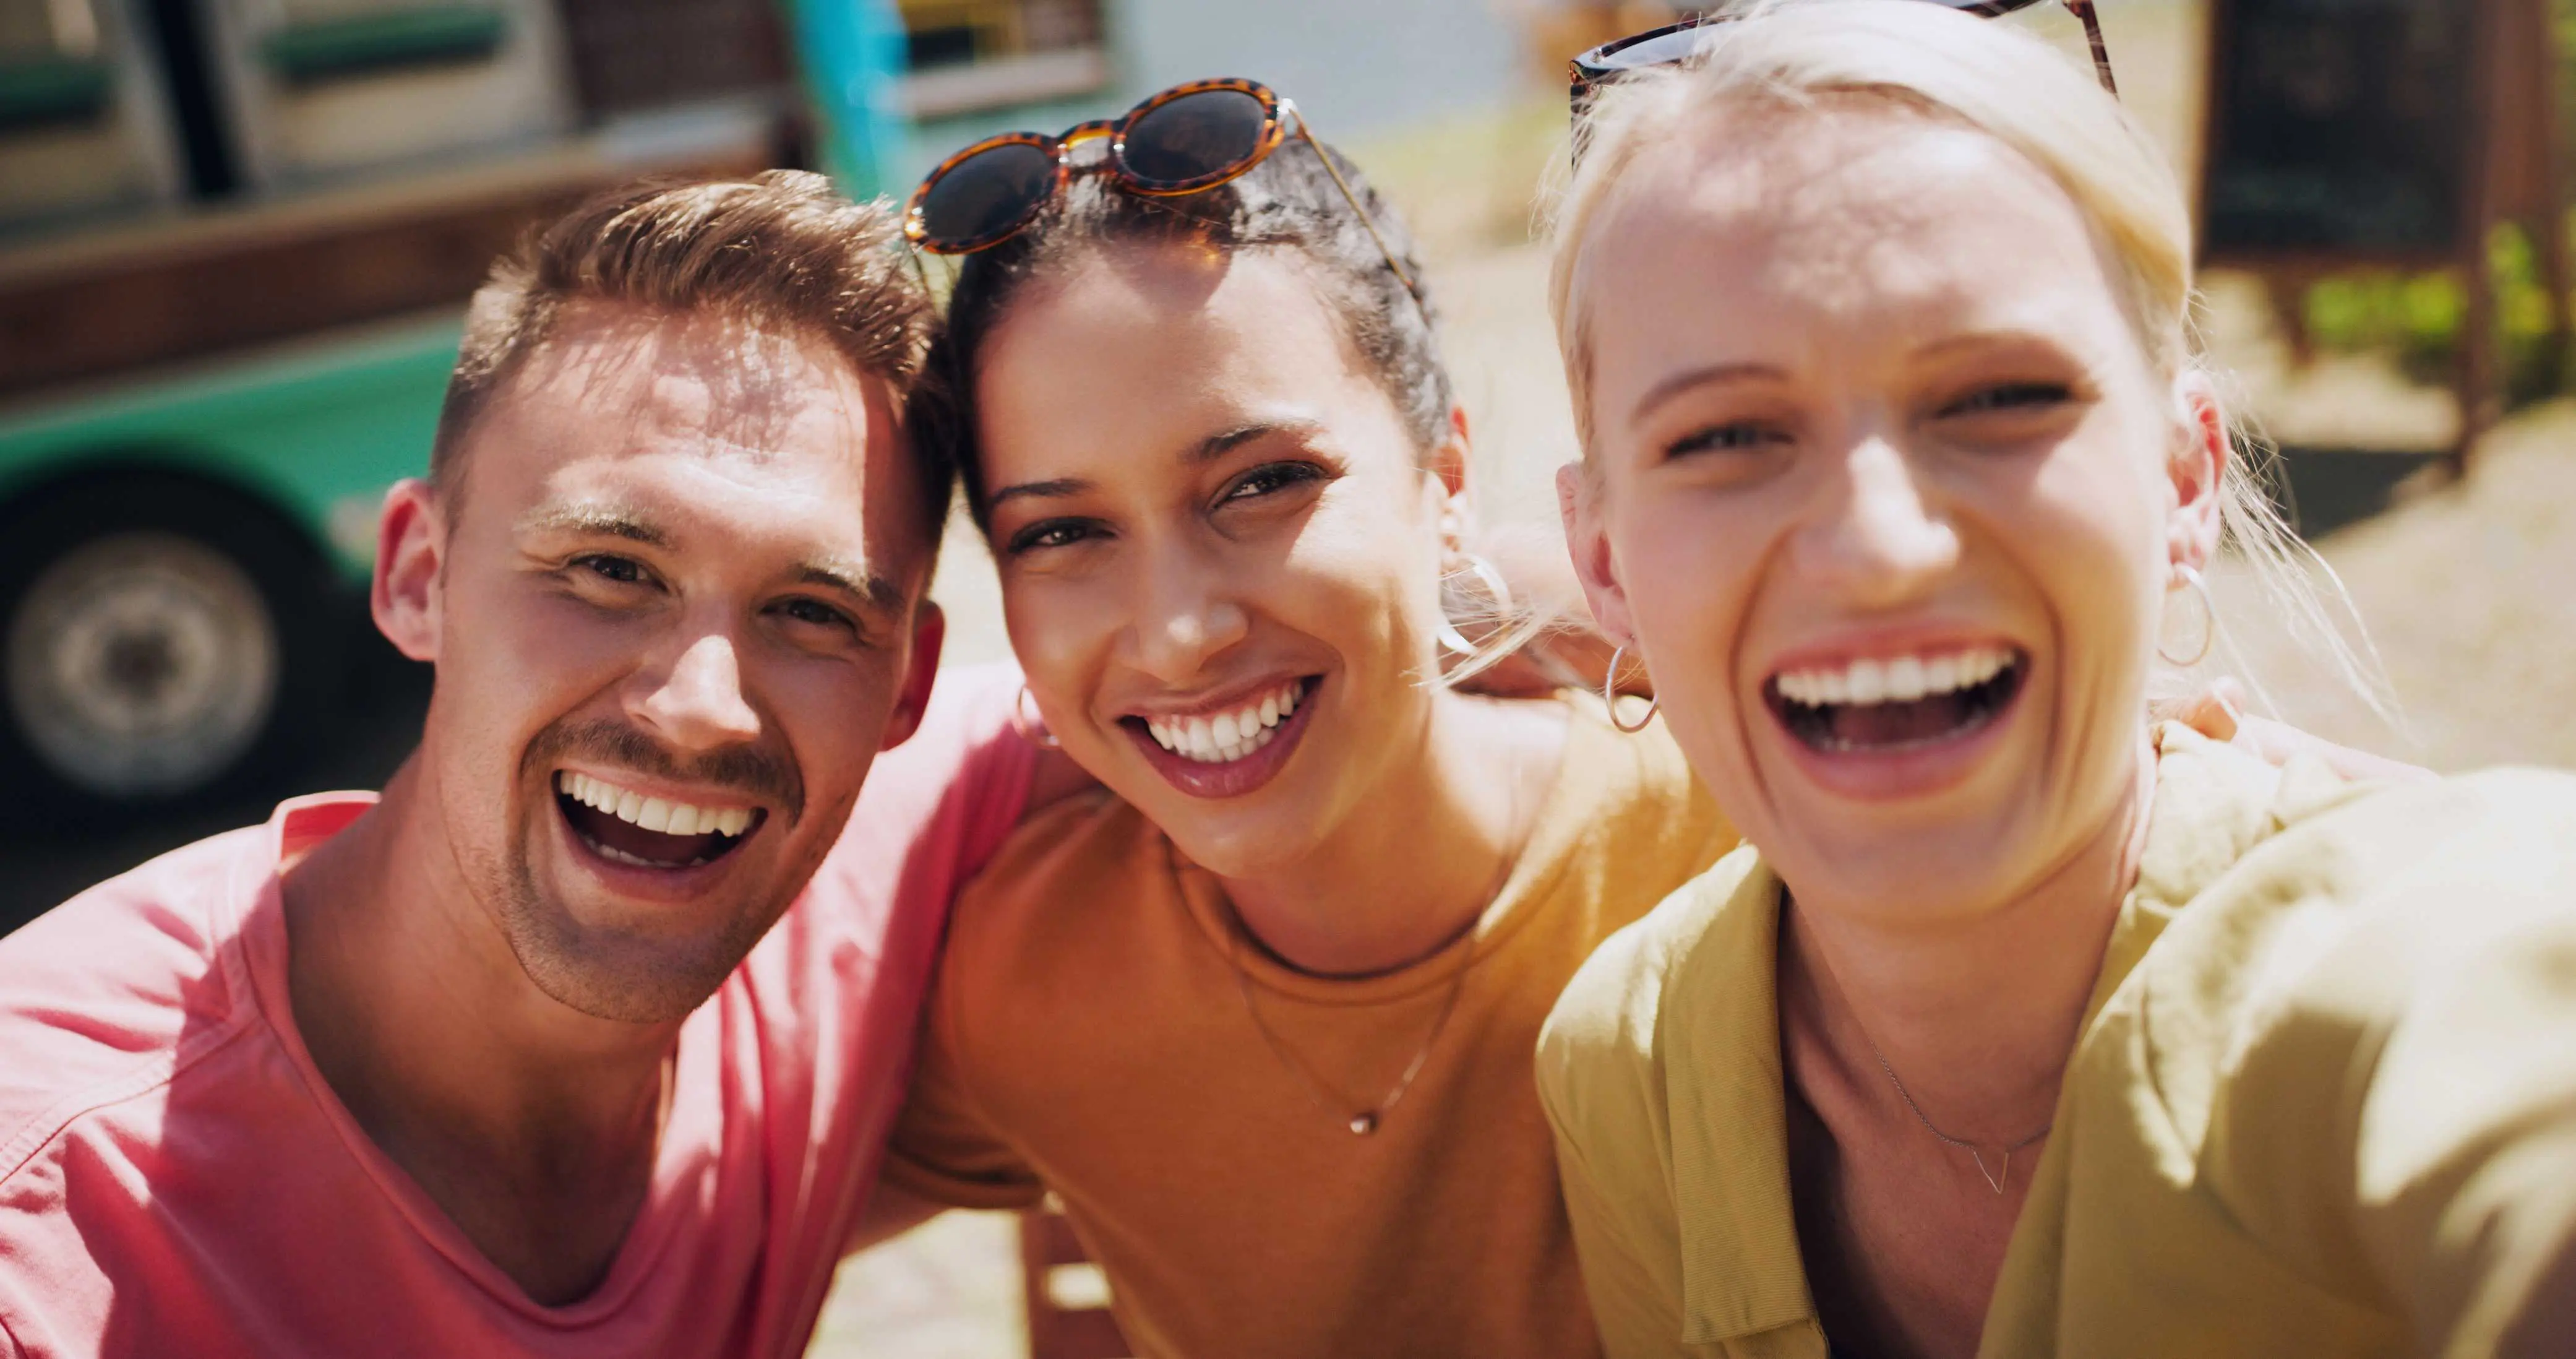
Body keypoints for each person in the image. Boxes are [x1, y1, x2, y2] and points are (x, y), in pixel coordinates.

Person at [1532, 5, 2576, 1357]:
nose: (1879, 549)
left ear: (2182, 478)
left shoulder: (2405, 931)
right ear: (1602, 558)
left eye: (1999, 399)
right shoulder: (1626, 1070)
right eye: (1727, 435)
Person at [0, 173, 1054, 1358]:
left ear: (905, 682)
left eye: (812, 613)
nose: (702, 709)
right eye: (610, 569)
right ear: (414, 577)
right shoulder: (51, 1215)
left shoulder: (868, 880)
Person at [868, 85, 1737, 1358]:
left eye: (1262, 484)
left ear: (1444, 479)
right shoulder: (1026, 984)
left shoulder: (1740, 840)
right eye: (1061, 532)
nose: (1178, 631)